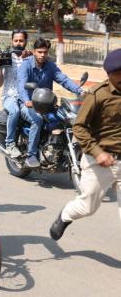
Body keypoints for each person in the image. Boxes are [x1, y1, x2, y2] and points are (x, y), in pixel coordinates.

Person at [49, 49, 121, 240]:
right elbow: (79, 127)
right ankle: (65, 216)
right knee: (88, 206)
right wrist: (98, 153)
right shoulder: (97, 95)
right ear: (109, 74)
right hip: (99, 160)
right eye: (118, 73)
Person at [17, 38, 84, 168]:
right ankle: (31, 154)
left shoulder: (50, 66)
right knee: (37, 120)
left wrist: (80, 91)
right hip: (29, 104)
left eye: (45, 52)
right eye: (40, 52)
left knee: (64, 118)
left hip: (46, 104)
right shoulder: (25, 65)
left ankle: (59, 149)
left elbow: (63, 79)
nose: (43, 55)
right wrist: (27, 101)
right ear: (34, 52)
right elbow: (21, 85)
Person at [0, 30, 31, 158]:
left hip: (25, 98)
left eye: (21, 41)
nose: (18, 43)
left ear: (26, 42)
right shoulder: (7, 57)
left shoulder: (30, 58)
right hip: (9, 96)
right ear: (12, 41)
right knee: (14, 111)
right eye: (16, 40)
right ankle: (10, 143)